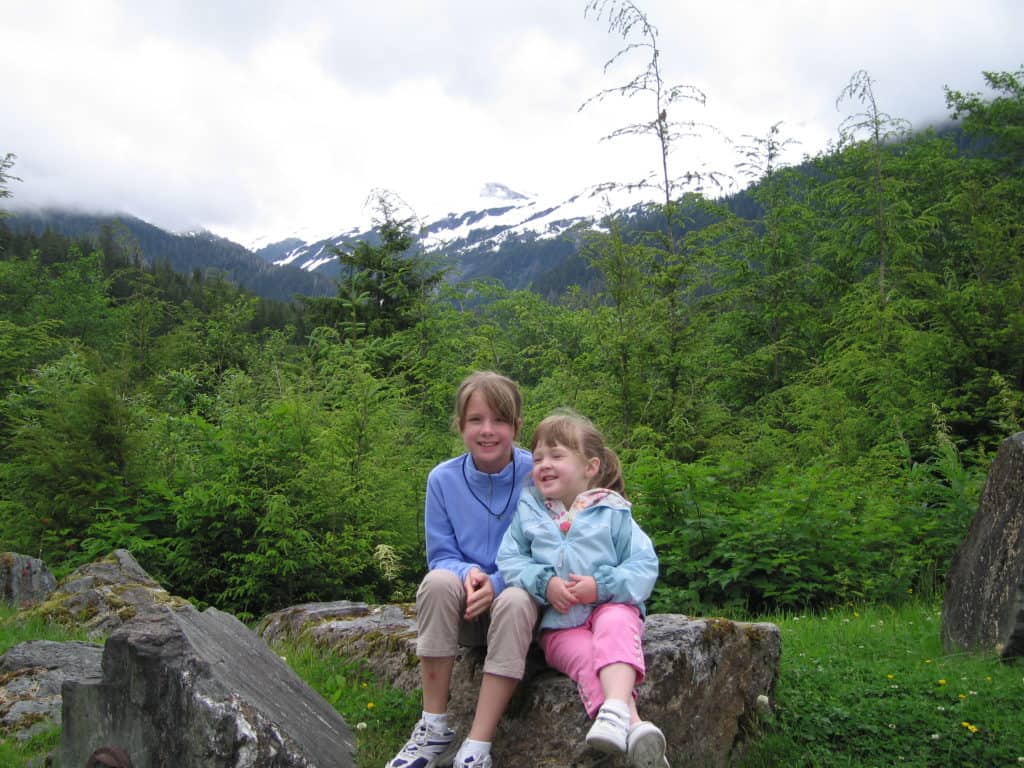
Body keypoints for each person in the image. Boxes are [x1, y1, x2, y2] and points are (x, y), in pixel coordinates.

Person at [497, 409, 669, 768]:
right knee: (588, 659)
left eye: (557, 456)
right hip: (560, 627)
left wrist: (602, 586)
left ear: (590, 467)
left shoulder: (613, 512)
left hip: (610, 608)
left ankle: (616, 714)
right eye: (539, 457)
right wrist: (544, 583)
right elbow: (510, 559)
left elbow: (643, 566)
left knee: (616, 628)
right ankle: (634, 726)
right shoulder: (529, 512)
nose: (543, 464)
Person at [387, 371, 538, 768]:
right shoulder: (443, 479)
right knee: (437, 582)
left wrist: (499, 581)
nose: (488, 431)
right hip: (468, 613)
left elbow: (549, 553)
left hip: (522, 616)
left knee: (517, 599)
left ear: (516, 427)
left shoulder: (536, 477)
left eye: (500, 420)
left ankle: (476, 747)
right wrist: (471, 574)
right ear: (460, 426)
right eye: (476, 420)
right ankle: (433, 727)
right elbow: (441, 556)